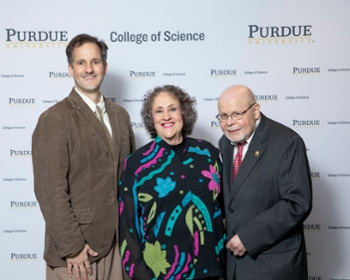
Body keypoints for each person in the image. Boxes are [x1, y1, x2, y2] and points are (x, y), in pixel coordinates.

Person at [32, 33, 135, 280]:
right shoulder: (55, 119)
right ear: (70, 69)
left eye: (95, 62)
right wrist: (73, 248)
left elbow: (130, 178)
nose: (89, 69)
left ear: (105, 67)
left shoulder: (120, 116)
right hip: (78, 254)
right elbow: (50, 192)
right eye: (81, 63)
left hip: (117, 245)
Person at [118, 85, 226, 280]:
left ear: (183, 113)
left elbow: (227, 208)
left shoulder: (208, 154)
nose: (166, 116)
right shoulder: (136, 164)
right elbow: (128, 227)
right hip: (161, 272)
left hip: (211, 268)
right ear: (152, 118)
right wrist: (141, 274)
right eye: (159, 111)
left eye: (172, 109)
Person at [217, 85, 312, 280]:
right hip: (234, 267)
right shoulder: (224, 143)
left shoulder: (287, 142)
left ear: (255, 110)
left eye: (236, 114)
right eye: (223, 116)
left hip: (274, 267)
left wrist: (248, 237)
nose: (229, 123)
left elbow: (297, 203)